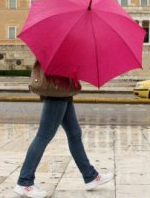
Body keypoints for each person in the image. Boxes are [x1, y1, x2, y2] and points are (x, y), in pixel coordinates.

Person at [14, 68, 113, 198]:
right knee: (43, 136)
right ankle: (24, 181)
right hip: (57, 90)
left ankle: (91, 176)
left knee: (75, 134)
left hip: (63, 90)